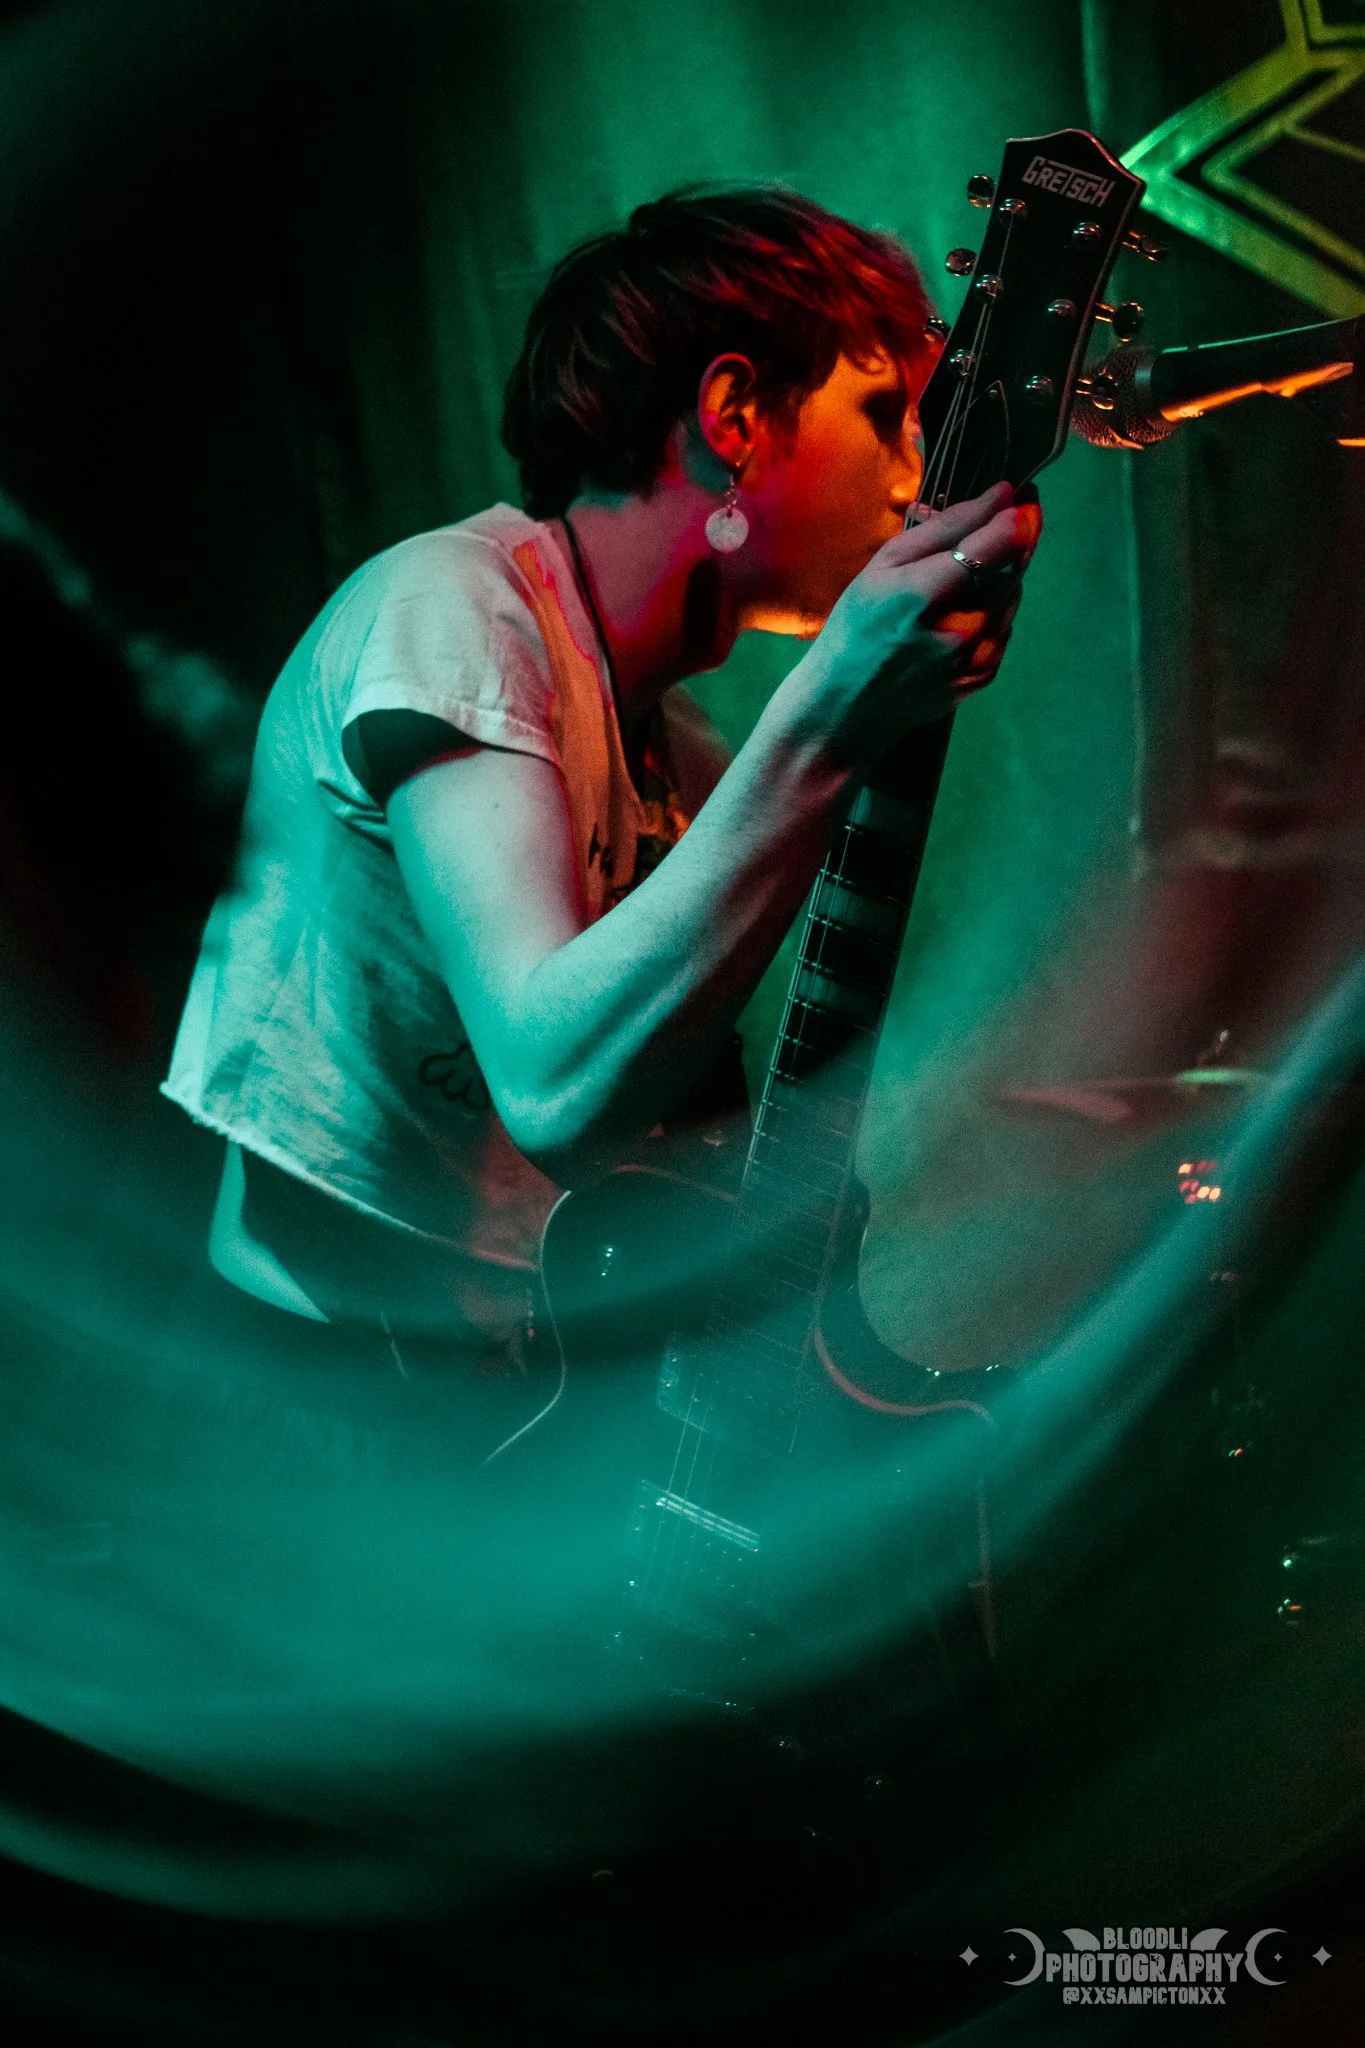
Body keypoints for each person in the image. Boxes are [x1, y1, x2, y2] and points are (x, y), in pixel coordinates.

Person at [163, 186, 1039, 1379]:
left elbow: (657, 1142)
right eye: (886, 415)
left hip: (513, 1400)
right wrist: (830, 717)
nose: (914, 480)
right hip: (320, 1413)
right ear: (733, 412)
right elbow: (557, 1087)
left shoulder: (684, 756)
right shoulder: (450, 608)